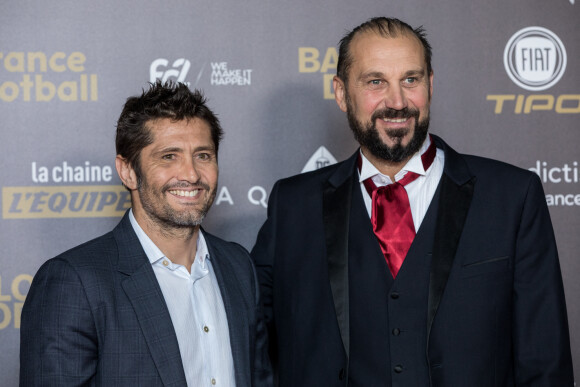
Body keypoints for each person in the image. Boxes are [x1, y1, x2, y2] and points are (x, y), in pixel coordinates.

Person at [251, 17, 574, 386]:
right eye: (376, 82)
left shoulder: (512, 197)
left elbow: (545, 361)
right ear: (341, 93)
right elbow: (252, 341)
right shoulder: (293, 206)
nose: (397, 102)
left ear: (431, 85)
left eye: (411, 79)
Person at [20, 81, 272, 387]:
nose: (191, 174)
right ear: (128, 171)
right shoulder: (75, 283)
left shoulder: (238, 266)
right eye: (169, 156)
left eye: (203, 155)